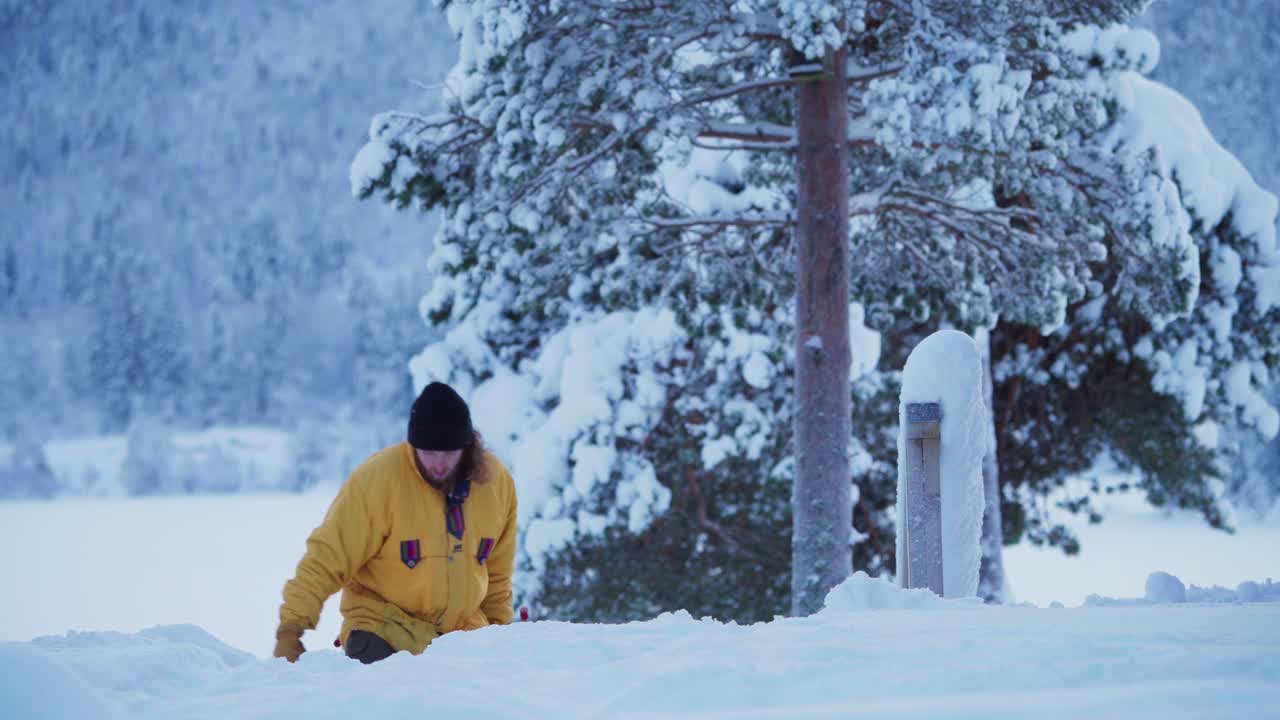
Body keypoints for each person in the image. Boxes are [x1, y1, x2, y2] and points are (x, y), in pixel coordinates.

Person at [273, 381, 518, 664]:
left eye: (449, 453)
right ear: (413, 445)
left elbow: (497, 576)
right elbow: (327, 557)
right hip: (382, 628)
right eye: (429, 453)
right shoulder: (378, 482)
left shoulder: (495, 485)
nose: (439, 464)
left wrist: (497, 635)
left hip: (459, 636)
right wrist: (291, 628)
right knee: (397, 688)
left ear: (467, 447)